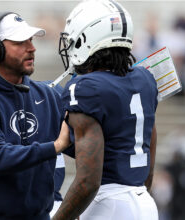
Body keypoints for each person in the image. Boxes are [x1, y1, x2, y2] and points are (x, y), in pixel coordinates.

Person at [0, 12, 70, 220]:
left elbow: (83, 146)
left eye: (31, 40)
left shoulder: (48, 95)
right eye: (20, 42)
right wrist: (55, 146)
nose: (32, 48)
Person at [53, 0, 159, 219]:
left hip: (107, 203)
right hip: (143, 200)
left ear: (86, 39)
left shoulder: (85, 88)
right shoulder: (145, 78)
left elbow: (87, 182)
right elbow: (150, 146)